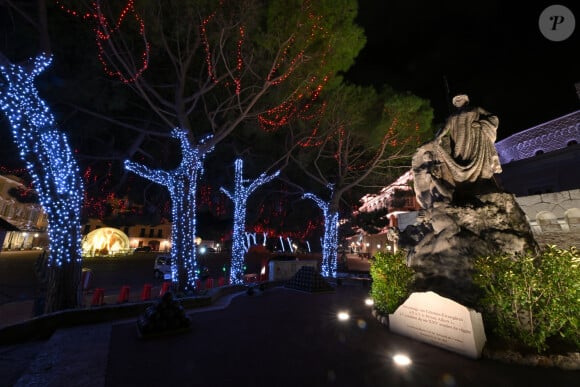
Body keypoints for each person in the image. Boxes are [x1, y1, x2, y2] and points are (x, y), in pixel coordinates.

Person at [412, 94, 502, 208]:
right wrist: (438, 138)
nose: (458, 100)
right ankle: (462, 183)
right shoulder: (452, 116)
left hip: (474, 138)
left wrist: (481, 124)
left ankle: (479, 182)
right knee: (459, 159)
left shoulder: (475, 109)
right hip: (459, 142)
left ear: (466, 100)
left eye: (460, 98)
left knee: (476, 158)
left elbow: (492, 117)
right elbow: (445, 128)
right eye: (456, 99)